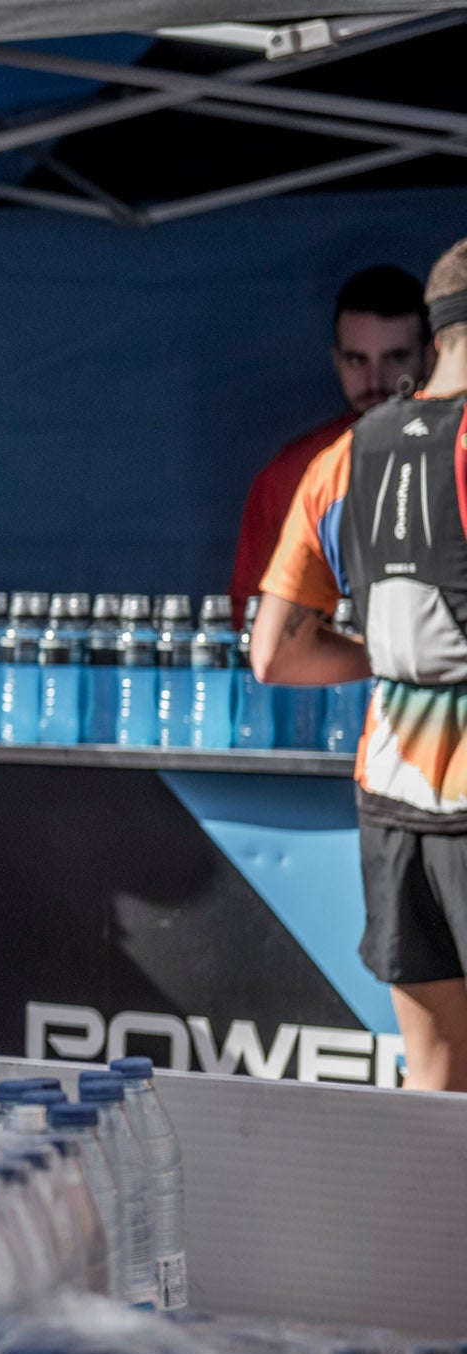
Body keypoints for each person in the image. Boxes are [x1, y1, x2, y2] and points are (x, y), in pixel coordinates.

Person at [253, 237, 467, 1092]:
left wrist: (405, 654)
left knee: (437, 1078)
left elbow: (274, 652)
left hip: (397, 806)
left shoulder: (343, 458)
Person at [230, 266, 433, 621]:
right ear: (337, 361)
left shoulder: (457, 452)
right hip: (328, 673)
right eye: (357, 360)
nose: (376, 380)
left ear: (430, 356)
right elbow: (250, 620)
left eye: (395, 358)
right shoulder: (293, 473)